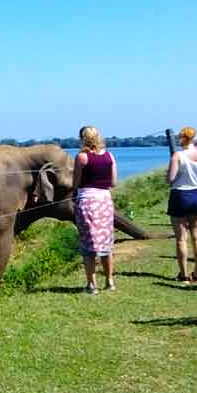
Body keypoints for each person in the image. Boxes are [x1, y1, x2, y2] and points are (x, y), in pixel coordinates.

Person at [72, 126, 117, 294]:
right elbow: (113, 182)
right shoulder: (109, 156)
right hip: (105, 201)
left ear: (82, 139)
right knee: (106, 243)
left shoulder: (82, 157)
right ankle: (109, 281)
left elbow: (75, 183)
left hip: (87, 201)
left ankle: (92, 285)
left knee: (88, 244)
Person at [166, 126, 197, 283]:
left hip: (180, 195)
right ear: (194, 138)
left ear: (181, 138)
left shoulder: (177, 155)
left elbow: (170, 178)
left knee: (181, 239)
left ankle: (184, 275)